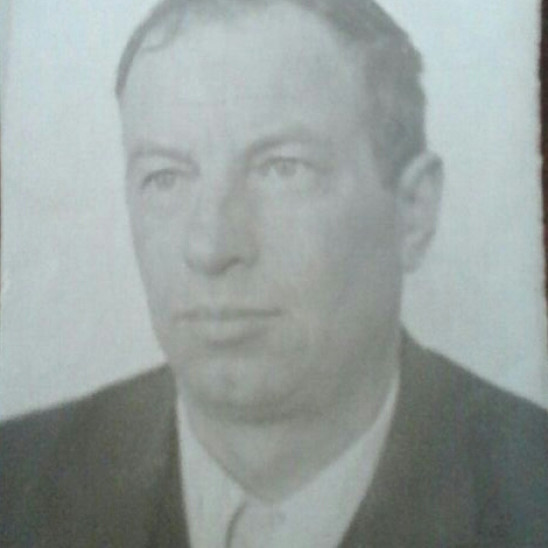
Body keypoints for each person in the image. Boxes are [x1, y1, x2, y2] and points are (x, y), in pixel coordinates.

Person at [1, 0, 547, 546]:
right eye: (166, 177)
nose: (211, 247)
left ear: (413, 212)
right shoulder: (15, 481)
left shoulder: (530, 485)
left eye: (283, 169)